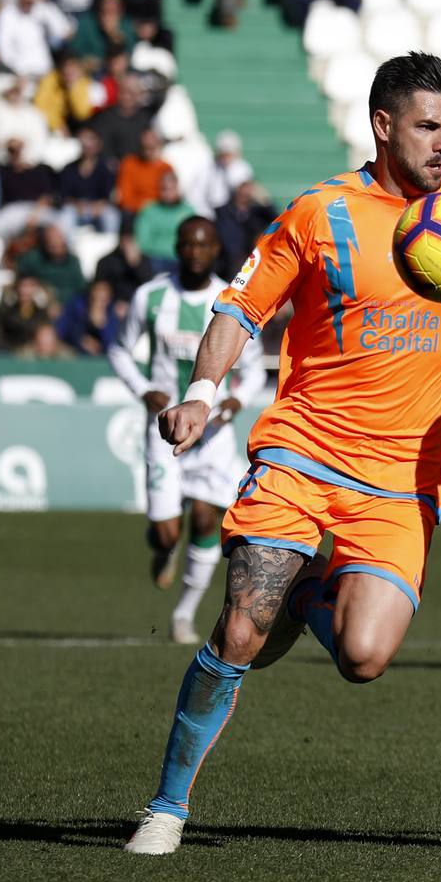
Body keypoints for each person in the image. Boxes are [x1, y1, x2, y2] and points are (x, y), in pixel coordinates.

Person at [123, 51, 441, 855]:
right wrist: (201, 389)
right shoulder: (320, 212)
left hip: (401, 480)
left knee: (363, 657)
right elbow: (241, 307)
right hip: (302, 451)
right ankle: (168, 807)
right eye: (428, 127)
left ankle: (302, 595)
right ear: (383, 125)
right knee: (239, 632)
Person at [108, 217, 265, 644]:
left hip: (213, 435)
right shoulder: (151, 297)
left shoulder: (231, 299)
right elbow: (119, 350)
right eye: (189, 245)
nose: (196, 252)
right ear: (177, 248)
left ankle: (182, 615)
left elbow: (252, 368)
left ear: (216, 250)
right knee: (167, 532)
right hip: (164, 431)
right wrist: (144, 391)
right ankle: (164, 549)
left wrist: (235, 401)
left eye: (204, 245)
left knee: (205, 518)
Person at [133, 170, 197, 273]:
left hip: (179, 259)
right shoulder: (149, 210)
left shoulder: (188, 212)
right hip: (154, 259)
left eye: (171, 189)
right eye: (164, 189)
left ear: (177, 188)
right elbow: (142, 241)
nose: (168, 193)